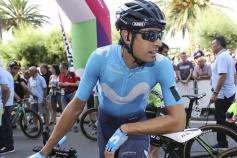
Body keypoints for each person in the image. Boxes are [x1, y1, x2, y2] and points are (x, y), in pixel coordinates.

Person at [28, 1, 185, 158]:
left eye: (158, 35)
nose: (158, 42)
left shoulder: (162, 65)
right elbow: (76, 107)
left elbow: (178, 121)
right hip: (106, 126)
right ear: (127, 36)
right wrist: (44, 152)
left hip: (136, 127)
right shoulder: (100, 58)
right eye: (150, 35)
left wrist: (126, 129)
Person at [209, 36, 237, 148]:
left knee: (225, 120)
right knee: (221, 121)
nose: (211, 46)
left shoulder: (222, 57)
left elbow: (223, 76)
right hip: (227, 93)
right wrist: (233, 89)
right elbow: (234, 75)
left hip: (222, 94)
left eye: (213, 44)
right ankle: (222, 143)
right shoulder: (225, 56)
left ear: (219, 45)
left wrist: (215, 93)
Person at [28, 66, 49, 132]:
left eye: (30, 70)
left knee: (44, 113)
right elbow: (29, 89)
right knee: (34, 113)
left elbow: (45, 88)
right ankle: (35, 126)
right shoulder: (30, 79)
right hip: (33, 100)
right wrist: (29, 98)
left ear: (35, 71)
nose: (29, 72)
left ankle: (47, 127)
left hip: (40, 99)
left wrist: (44, 98)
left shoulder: (41, 78)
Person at [0, 64, 15, 154]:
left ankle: (9, 146)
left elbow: (6, 89)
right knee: (4, 124)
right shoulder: (6, 72)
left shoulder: (1, 73)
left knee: (5, 124)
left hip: (4, 103)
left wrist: (3, 103)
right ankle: (4, 144)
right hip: (7, 102)